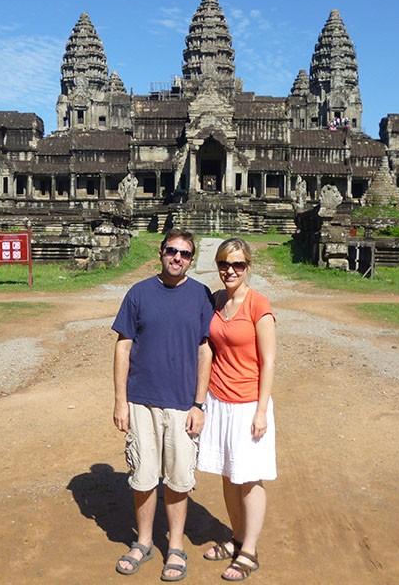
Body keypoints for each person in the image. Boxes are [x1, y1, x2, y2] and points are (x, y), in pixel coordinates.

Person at [111, 228, 214, 581]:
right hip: (142, 400)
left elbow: (205, 350)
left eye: (185, 254)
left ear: (191, 259)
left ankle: (175, 545)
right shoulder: (139, 293)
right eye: (172, 251)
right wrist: (120, 401)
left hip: (183, 403)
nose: (177, 259)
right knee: (142, 476)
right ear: (161, 252)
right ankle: (142, 541)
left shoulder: (200, 296)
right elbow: (123, 347)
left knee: (179, 478)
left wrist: (200, 404)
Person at [197, 238, 276, 582]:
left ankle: (250, 551)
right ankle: (238, 537)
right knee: (228, 473)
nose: (230, 271)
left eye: (238, 265)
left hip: (248, 403)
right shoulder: (215, 301)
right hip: (219, 399)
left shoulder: (259, 305)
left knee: (249, 477)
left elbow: (269, 361)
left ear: (248, 267)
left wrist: (261, 410)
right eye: (224, 265)